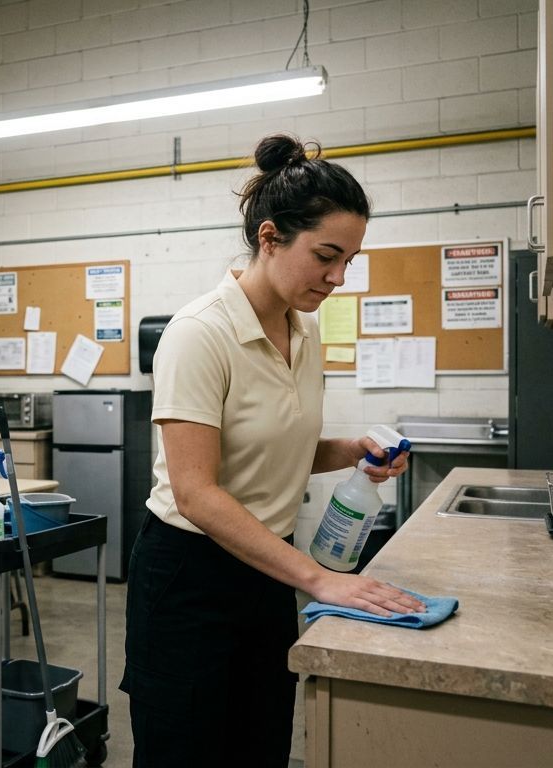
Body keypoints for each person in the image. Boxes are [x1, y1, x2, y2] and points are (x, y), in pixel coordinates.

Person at [120, 134, 422, 768]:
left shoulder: (303, 328)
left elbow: (276, 450)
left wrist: (351, 450)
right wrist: (319, 580)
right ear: (269, 237)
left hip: (264, 570)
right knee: (186, 749)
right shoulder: (199, 334)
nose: (338, 277)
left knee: (259, 742)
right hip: (189, 575)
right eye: (326, 256)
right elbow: (197, 491)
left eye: (350, 260)